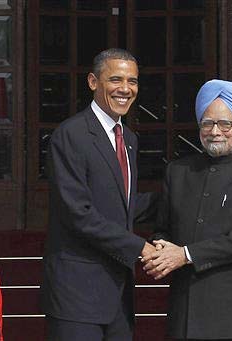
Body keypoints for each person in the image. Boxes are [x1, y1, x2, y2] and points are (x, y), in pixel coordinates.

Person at [142, 79, 232, 340]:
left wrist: (185, 254)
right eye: (207, 123)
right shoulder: (178, 171)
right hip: (184, 312)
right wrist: (159, 249)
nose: (215, 131)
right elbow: (163, 228)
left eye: (225, 123)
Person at [40, 48, 155, 341]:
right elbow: (78, 213)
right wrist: (140, 247)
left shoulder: (128, 139)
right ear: (93, 82)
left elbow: (122, 205)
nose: (125, 89)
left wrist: (181, 197)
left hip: (118, 295)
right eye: (115, 79)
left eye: (133, 81)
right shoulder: (71, 134)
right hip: (76, 295)